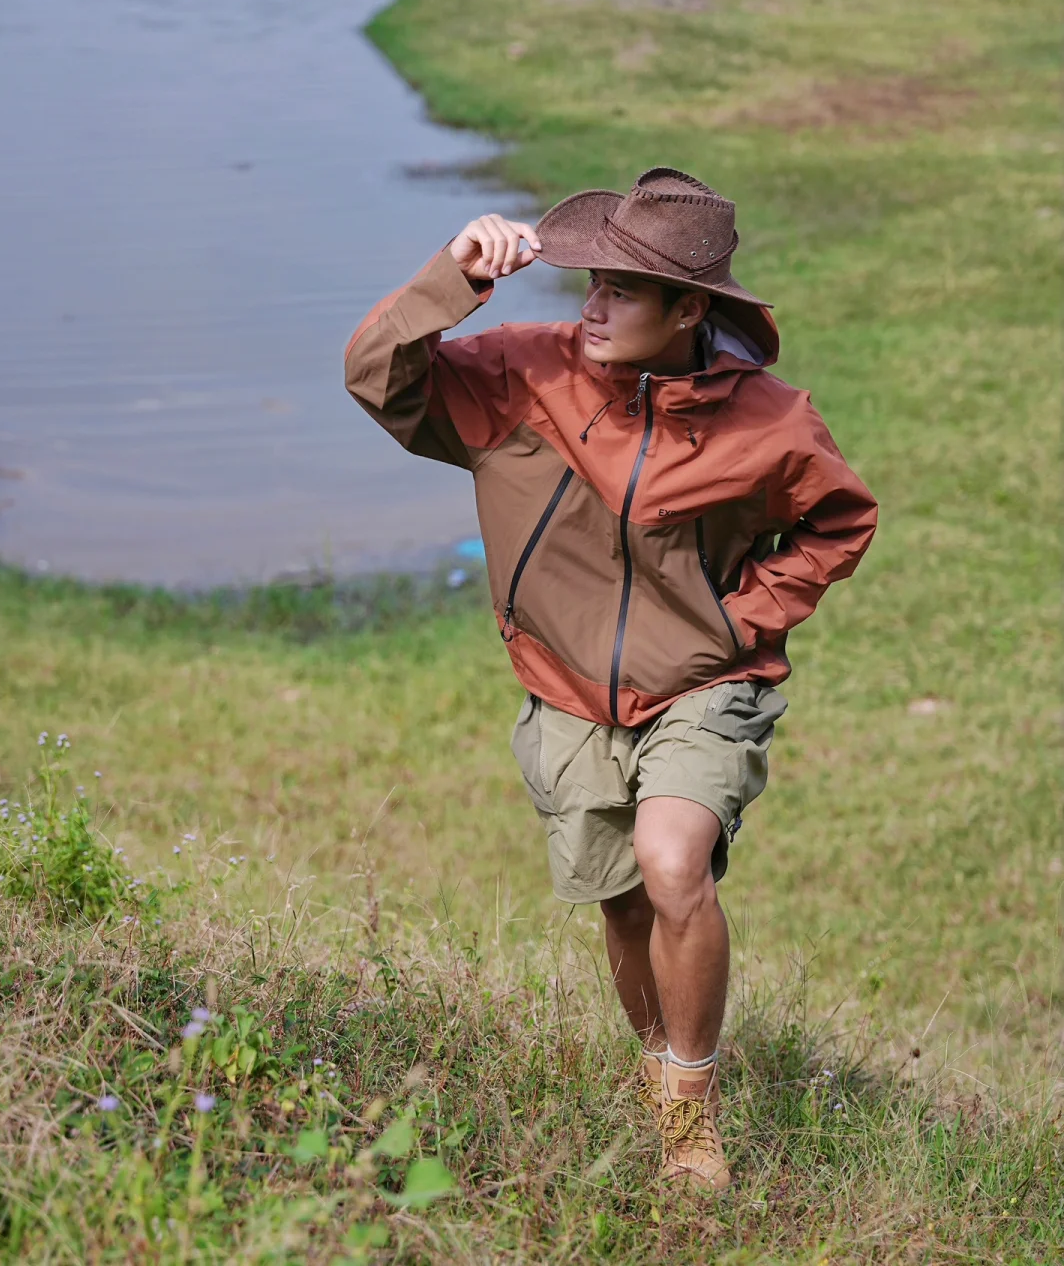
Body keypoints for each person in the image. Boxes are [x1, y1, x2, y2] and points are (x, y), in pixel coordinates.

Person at [345, 168, 877, 1190]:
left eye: (622, 291)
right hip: (566, 684)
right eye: (589, 282)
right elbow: (379, 377)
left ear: (689, 309)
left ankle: (691, 1110)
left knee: (674, 863)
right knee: (624, 903)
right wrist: (451, 280)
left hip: (706, 683)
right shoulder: (520, 375)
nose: (590, 306)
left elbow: (839, 521)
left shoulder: (769, 423)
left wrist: (738, 619)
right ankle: (657, 1068)